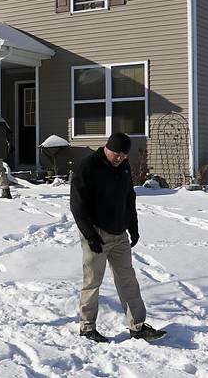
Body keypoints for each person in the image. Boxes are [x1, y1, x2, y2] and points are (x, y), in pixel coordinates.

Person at [69, 132, 166, 343]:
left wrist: (133, 225)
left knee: (128, 280)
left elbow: (128, 196)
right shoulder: (87, 167)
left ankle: (137, 326)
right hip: (96, 233)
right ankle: (87, 328)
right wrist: (90, 235)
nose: (120, 158)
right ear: (107, 147)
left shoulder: (123, 166)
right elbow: (77, 206)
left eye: (124, 155)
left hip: (119, 232)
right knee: (93, 281)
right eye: (117, 154)